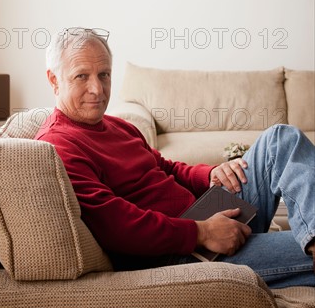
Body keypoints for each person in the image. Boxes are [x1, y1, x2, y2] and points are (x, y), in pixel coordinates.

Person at [35, 27, 315, 288]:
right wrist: (201, 233)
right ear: (54, 80)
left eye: (104, 75)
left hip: (205, 219)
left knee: (280, 139)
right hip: (177, 256)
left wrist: (208, 175)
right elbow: (116, 226)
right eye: (81, 76)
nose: (97, 89)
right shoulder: (58, 146)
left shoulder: (117, 125)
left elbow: (163, 166)